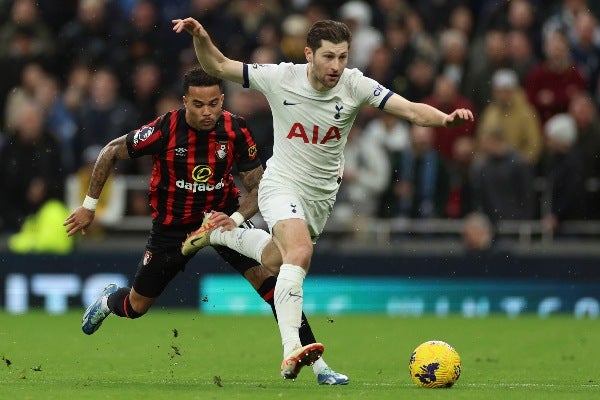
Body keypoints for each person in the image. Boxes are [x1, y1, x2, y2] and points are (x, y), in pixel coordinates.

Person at [172, 16, 473, 380]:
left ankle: (218, 232)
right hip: (281, 184)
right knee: (299, 253)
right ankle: (291, 350)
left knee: (274, 259)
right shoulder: (280, 76)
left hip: (320, 199)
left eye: (343, 57)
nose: (336, 66)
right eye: (328, 57)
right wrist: (202, 36)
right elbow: (217, 65)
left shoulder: (355, 84)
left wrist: (445, 120)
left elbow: (409, 109)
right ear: (308, 54)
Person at [63, 67, 348, 386]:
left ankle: (319, 366)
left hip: (222, 218)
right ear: (185, 102)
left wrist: (236, 219)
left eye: (213, 103)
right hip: (173, 227)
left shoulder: (236, 129)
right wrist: (88, 207)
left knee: (273, 282)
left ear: (222, 100)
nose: (207, 111)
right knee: (136, 307)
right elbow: (111, 151)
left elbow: (258, 188)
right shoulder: (165, 129)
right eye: (198, 104)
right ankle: (108, 300)